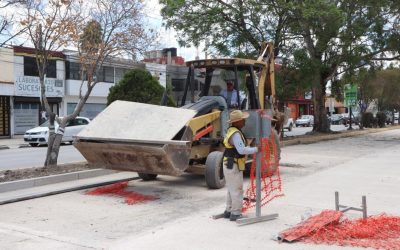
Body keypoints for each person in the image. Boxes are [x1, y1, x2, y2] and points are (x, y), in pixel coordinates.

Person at [222, 110, 258, 221]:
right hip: (233, 164)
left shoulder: (231, 130)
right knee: (237, 189)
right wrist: (256, 149)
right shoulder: (236, 134)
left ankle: (229, 210)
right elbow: (241, 150)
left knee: (231, 189)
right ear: (237, 122)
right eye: (243, 119)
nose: (245, 121)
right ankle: (236, 213)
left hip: (229, 163)